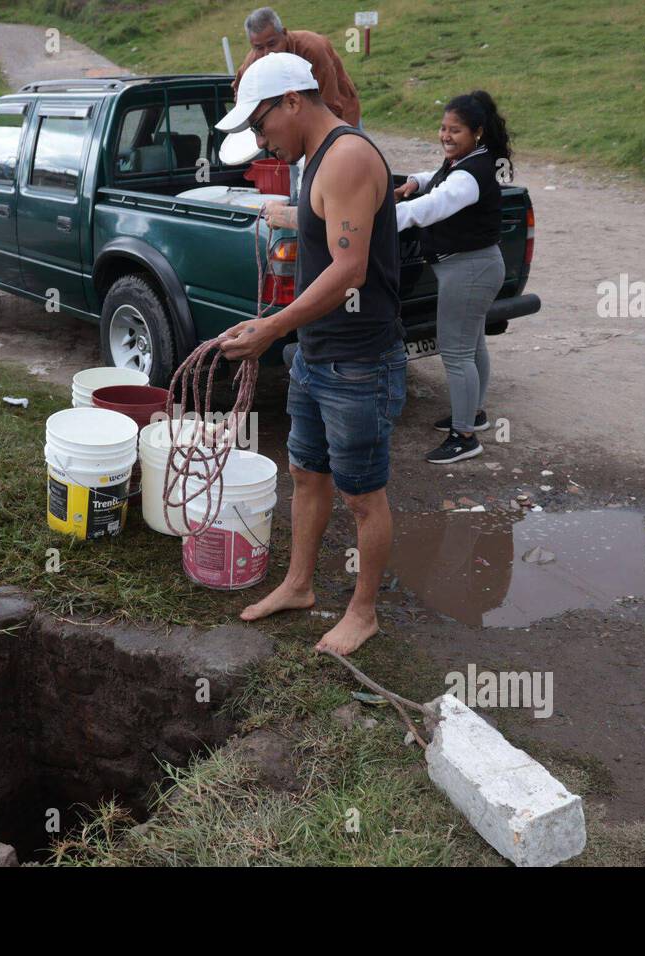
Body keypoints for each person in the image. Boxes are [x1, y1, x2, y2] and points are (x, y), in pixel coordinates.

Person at [216, 53, 406, 656]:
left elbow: (349, 269)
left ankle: (363, 610)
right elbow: (330, 223)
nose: (260, 138)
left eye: (261, 122)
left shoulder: (347, 156)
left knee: (362, 495)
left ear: (293, 101)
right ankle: (298, 585)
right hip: (318, 351)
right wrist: (290, 214)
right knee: (306, 473)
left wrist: (272, 328)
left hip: (359, 359)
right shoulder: (315, 160)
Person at [394, 91, 513, 465]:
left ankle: (463, 437)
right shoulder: (473, 160)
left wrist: (383, 218)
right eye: (443, 128)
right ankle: (474, 415)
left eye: (455, 130)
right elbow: (440, 181)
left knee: (457, 352)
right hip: (477, 267)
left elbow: (436, 205)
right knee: (473, 344)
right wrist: (416, 180)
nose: (446, 135)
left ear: (476, 132)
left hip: (468, 270)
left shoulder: (471, 172)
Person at [233, 7, 361, 128]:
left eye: (272, 44)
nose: (267, 53)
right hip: (293, 125)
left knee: (353, 148)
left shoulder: (313, 49)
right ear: (252, 45)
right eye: (259, 47)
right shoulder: (253, 62)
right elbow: (241, 92)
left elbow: (330, 101)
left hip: (339, 112)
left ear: (283, 33)